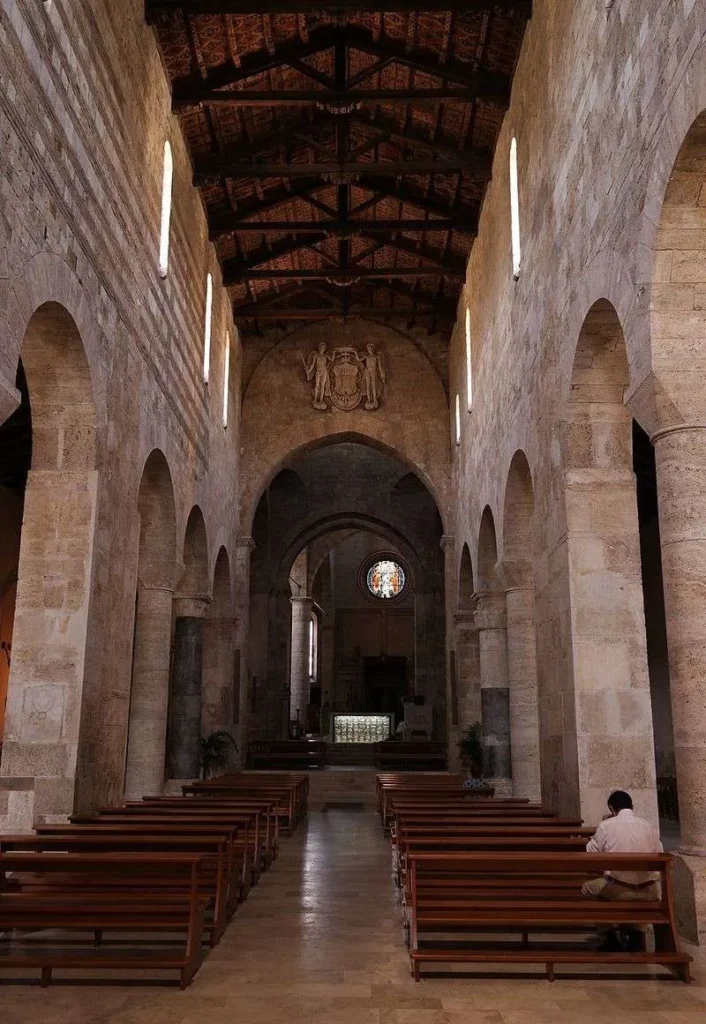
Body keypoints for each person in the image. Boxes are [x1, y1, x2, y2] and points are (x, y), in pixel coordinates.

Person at [582, 790, 662, 952]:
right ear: (631, 806)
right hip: (650, 891)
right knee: (636, 883)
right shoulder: (648, 826)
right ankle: (636, 935)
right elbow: (659, 852)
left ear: (612, 809)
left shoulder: (606, 826)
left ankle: (608, 934)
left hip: (620, 891)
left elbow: (590, 853)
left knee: (588, 888)